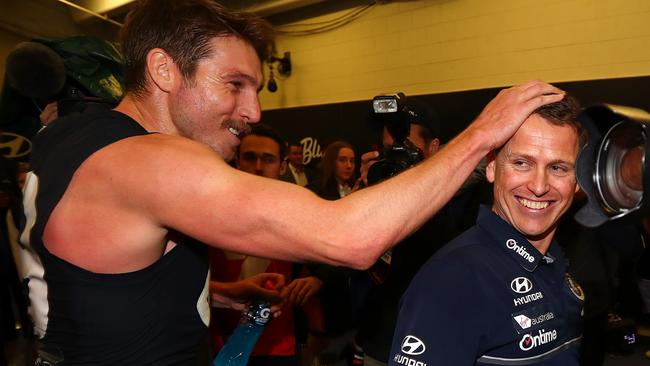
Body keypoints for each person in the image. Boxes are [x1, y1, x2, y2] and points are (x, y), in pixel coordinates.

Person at [18, 0, 565, 364]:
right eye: (234, 84)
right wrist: (482, 134)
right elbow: (350, 238)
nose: (253, 110)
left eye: (256, 88)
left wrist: (225, 294)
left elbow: (101, 275)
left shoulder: (74, 137)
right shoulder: (146, 161)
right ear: (164, 70)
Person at [389, 95, 585, 365]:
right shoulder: (454, 279)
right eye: (521, 163)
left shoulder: (554, 257)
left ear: (578, 181)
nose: (539, 186)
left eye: (558, 167)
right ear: (491, 166)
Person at [210, 123, 322, 366]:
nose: (258, 167)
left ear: (283, 166)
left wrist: (316, 280)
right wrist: (226, 292)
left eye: (268, 159)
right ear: (237, 160)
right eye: (250, 158)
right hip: (222, 345)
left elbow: (317, 271)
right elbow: (189, 284)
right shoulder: (207, 215)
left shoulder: (298, 214)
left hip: (279, 346)